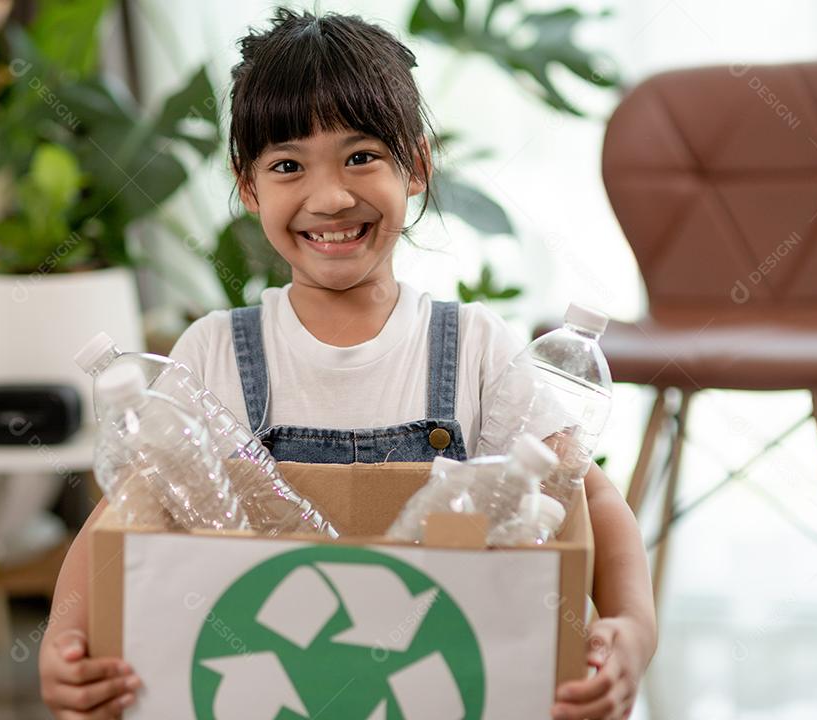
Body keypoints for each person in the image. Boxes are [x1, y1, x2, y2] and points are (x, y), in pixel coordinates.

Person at [40, 9, 656, 720]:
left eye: (361, 156)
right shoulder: (212, 352)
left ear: (416, 166)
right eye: (288, 166)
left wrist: (633, 632)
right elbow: (122, 516)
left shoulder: (476, 347)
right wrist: (65, 640)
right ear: (249, 188)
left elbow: (591, 500)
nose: (329, 197)